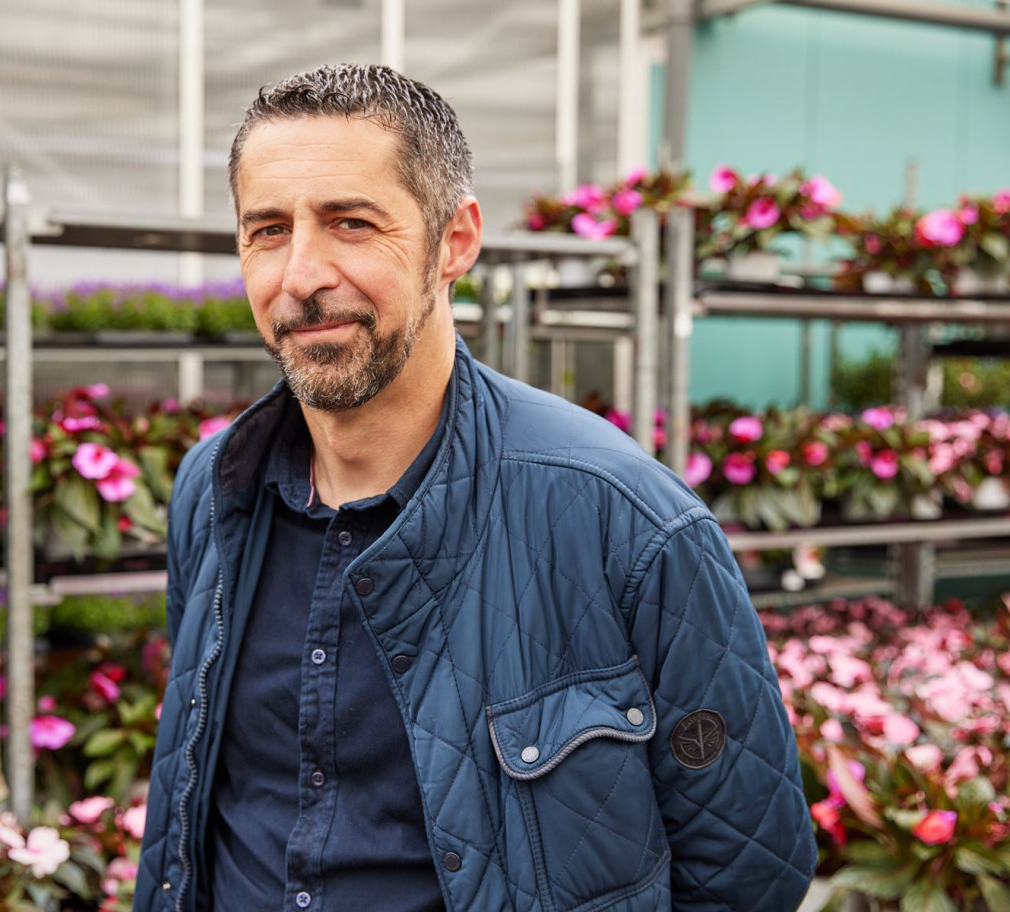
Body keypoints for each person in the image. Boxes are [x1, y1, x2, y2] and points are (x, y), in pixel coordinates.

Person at [134, 63, 816, 912]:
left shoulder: (627, 523)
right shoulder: (214, 489)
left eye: (352, 223)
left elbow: (747, 873)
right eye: (267, 230)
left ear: (454, 241)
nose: (301, 275)